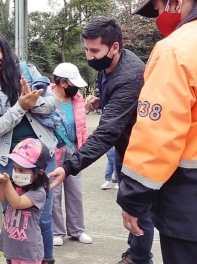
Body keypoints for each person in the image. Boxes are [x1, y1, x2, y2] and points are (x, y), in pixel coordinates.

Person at [117, 0, 197, 264]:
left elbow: (157, 137)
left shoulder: (178, 50)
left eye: (158, 9)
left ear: (175, 2)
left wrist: (133, 199)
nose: (160, 17)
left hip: (195, 210)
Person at [48, 17, 153, 264]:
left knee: (139, 209)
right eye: (86, 49)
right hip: (124, 147)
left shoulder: (130, 75)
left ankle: (139, 259)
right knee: (130, 206)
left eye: (94, 50)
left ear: (114, 47)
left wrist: (69, 166)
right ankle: (133, 251)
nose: (89, 56)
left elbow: (107, 133)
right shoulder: (108, 67)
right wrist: (103, 101)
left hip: (139, 151)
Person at [0, 29, 58, 264]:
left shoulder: (26, 71)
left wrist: (32, 102)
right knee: (12, 215)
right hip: (10, 161)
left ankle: (45, 259)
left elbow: (51, 104)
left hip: (41, 156)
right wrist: (20, 106)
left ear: (4, 51)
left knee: (43, 216)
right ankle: (16, 259)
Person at [0, 138, 50, 264]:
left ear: (39, 172)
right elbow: (1, 198)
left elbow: (17, 203)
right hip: (14, 247)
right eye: (14, 168)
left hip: (29, 251)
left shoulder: (38, 193)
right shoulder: (17, 187)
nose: (16, 173)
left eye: (22, 170)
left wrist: (6, 182)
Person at [49, 63, 92, 246]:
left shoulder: (78, 99)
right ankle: (57, 232)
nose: (77, 87)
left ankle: (77, 230)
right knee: (55, 191)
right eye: (73, 83)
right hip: (54, 150)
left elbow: (82, 126)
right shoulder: (46, 98)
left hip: (75, 148)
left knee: (75, 191)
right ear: (63, 82)